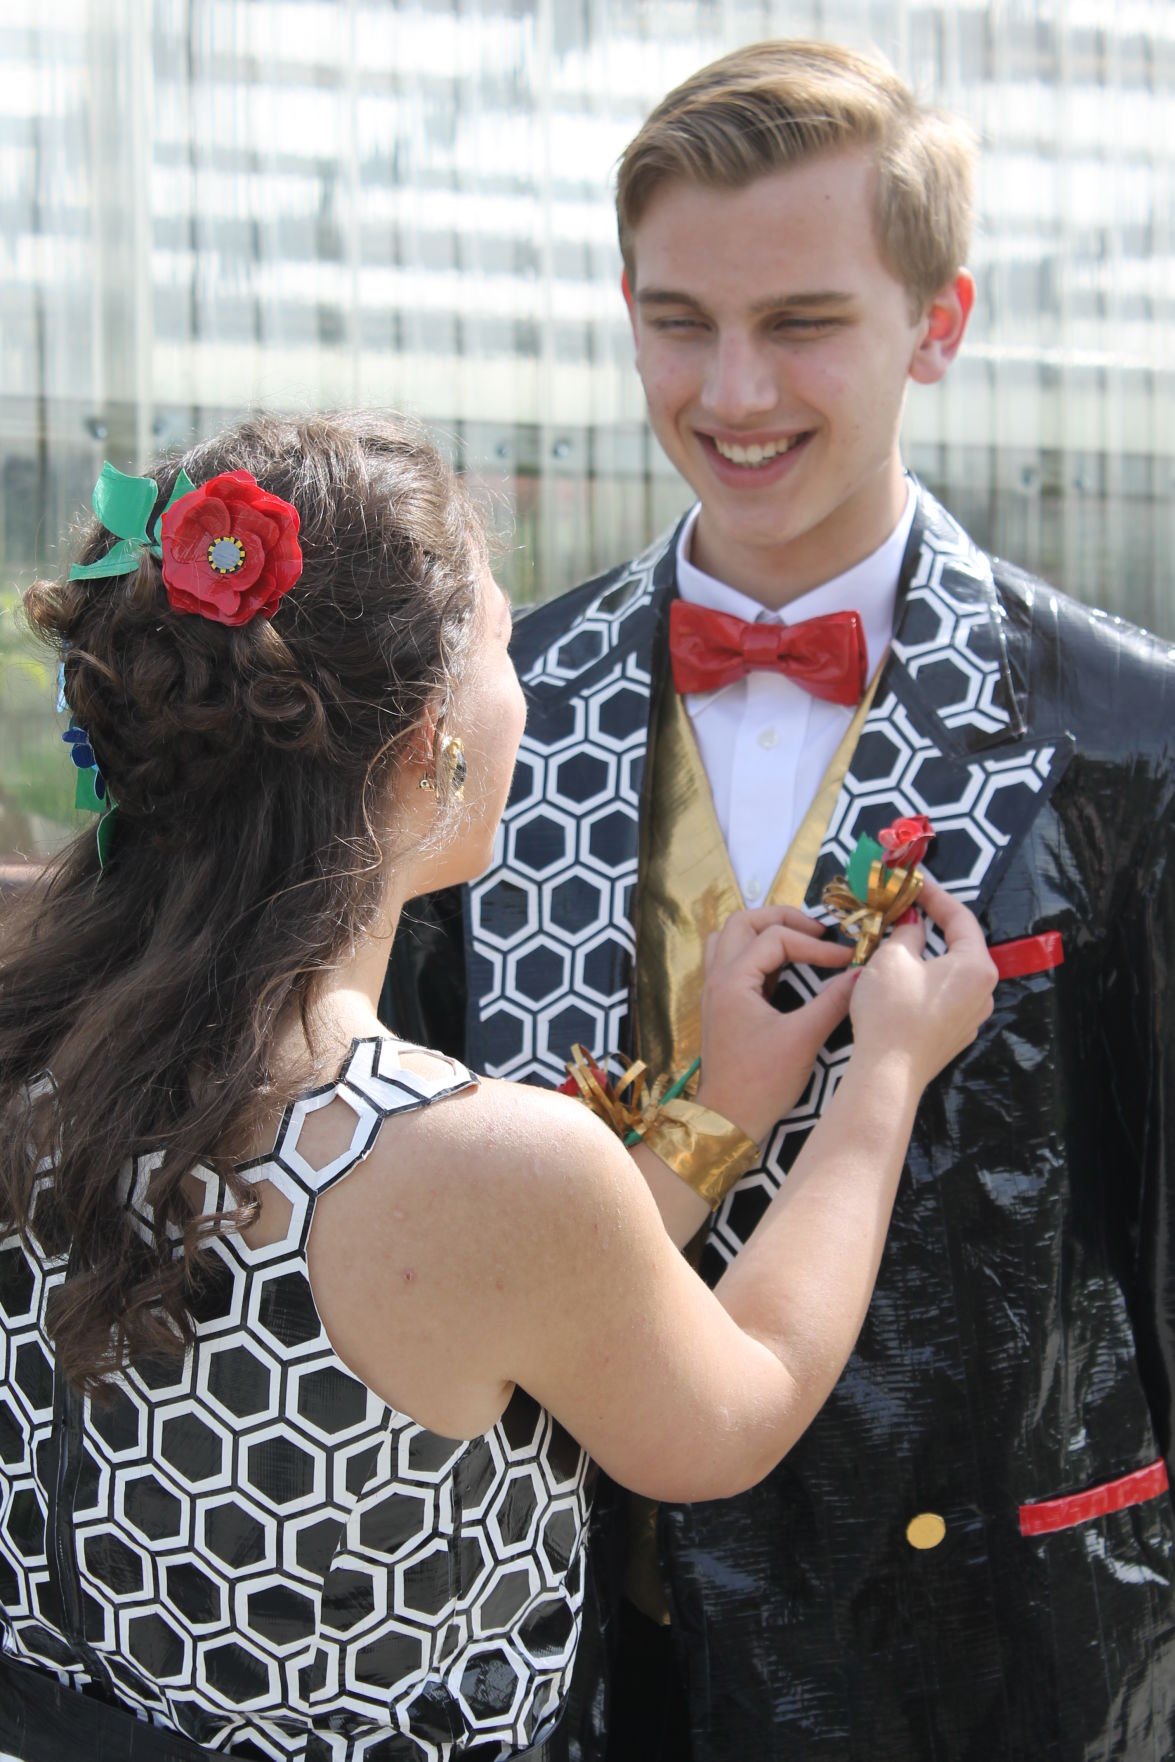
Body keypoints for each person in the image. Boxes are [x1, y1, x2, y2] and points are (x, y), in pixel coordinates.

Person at [383, 39, 1175, 1762]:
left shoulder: (1131, 733)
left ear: (939, 322)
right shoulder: (479, 716)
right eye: (679, 320)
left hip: (1000, 1653)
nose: (731, 390)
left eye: (802, 321)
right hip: (566, 1633)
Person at [0, 412, 994, 1762]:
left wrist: (719, 1110)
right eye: (509, 648)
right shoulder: (468, 1164)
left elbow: (469, 1287)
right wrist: (882, 1074)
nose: (530, 687)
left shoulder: (42, 1052)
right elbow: (734, 1405)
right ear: (429, 747)